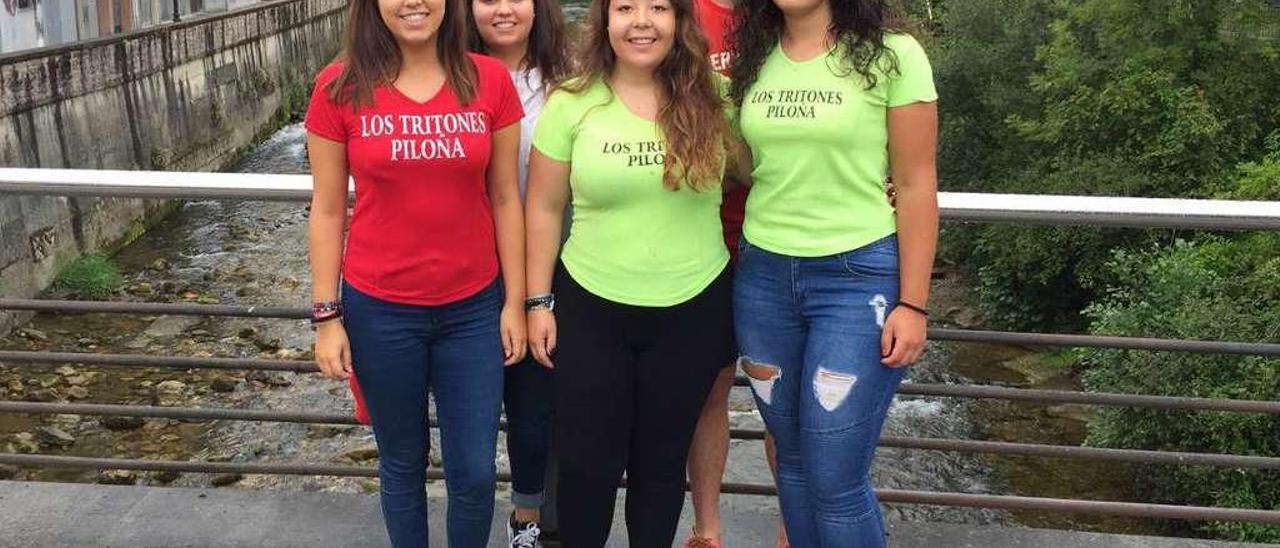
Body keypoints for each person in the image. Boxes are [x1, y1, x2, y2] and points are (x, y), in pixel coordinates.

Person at [305, 0, 527, 543]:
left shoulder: (489, 80)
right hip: (380, 310)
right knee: (403, 463)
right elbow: (329, 209)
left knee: (474, 473)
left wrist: (515, 302)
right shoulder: (339, 87)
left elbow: (505, 198)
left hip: (473, 309)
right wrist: (326, 316)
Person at [523, 0, 736, 545]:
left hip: (693, 308)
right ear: (605, 22)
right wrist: (537, 301)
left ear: (679, 22)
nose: (641, 21)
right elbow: (544, 209)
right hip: (591, 308)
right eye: (625, 8)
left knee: (662, 470)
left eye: (658, 8)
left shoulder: (715, 99)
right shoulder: (572, 102)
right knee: (585, 469)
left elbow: (773, 171)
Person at [727, 0, 939, 546]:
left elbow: (916, 183)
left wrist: (914, 303)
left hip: (857, 279)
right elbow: (750, 166)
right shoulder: (754, 58)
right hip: (764, 277)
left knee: (835, 475)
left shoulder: (893, 55)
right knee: (793, 463)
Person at [681, 1, 787, 547]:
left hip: (783, 237)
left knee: (783, 403)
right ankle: (708, 531)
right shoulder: (679, 11)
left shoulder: (792, 10)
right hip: (707, 238)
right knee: (709, 391)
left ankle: (792, 529)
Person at [465, 0, 571, 546]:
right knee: (478, 403)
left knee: (539, 398)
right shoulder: (447, 76)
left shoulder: (571, 80)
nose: (503, 10)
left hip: (554, 265)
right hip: (473, 267)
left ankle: (531, 519)